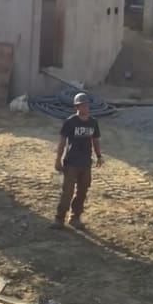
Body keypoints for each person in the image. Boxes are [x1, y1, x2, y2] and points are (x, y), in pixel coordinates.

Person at [52, 92, 102, 230]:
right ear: (77, 107)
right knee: (67, 192)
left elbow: (95, 141)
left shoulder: (93, 122)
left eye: (86, 104)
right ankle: (59, 219)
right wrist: (58, 160)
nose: (85, 107)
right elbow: (62, 142)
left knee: (82, 192)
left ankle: (75, 218)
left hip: (86, 163)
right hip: (71, 163)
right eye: (82, 105)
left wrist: (99, 156)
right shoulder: (70, 122)